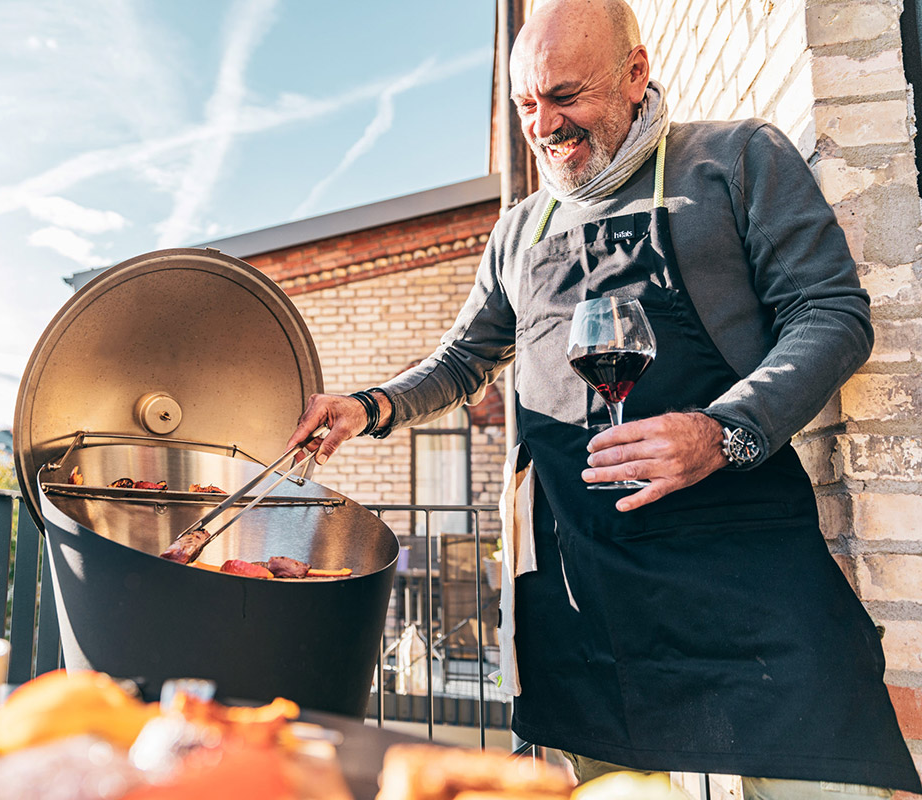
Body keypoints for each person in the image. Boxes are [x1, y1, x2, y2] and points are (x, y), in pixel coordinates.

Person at [288, 0, 921, 795]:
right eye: (527, 104)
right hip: (585, 593)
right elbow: (464, 358)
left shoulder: (734, 160)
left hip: (740, 575)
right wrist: (369, 405)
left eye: (565, 95)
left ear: (635, 72)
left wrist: (723, 430)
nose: (544, 125)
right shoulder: (519, 230)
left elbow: (831, 315)